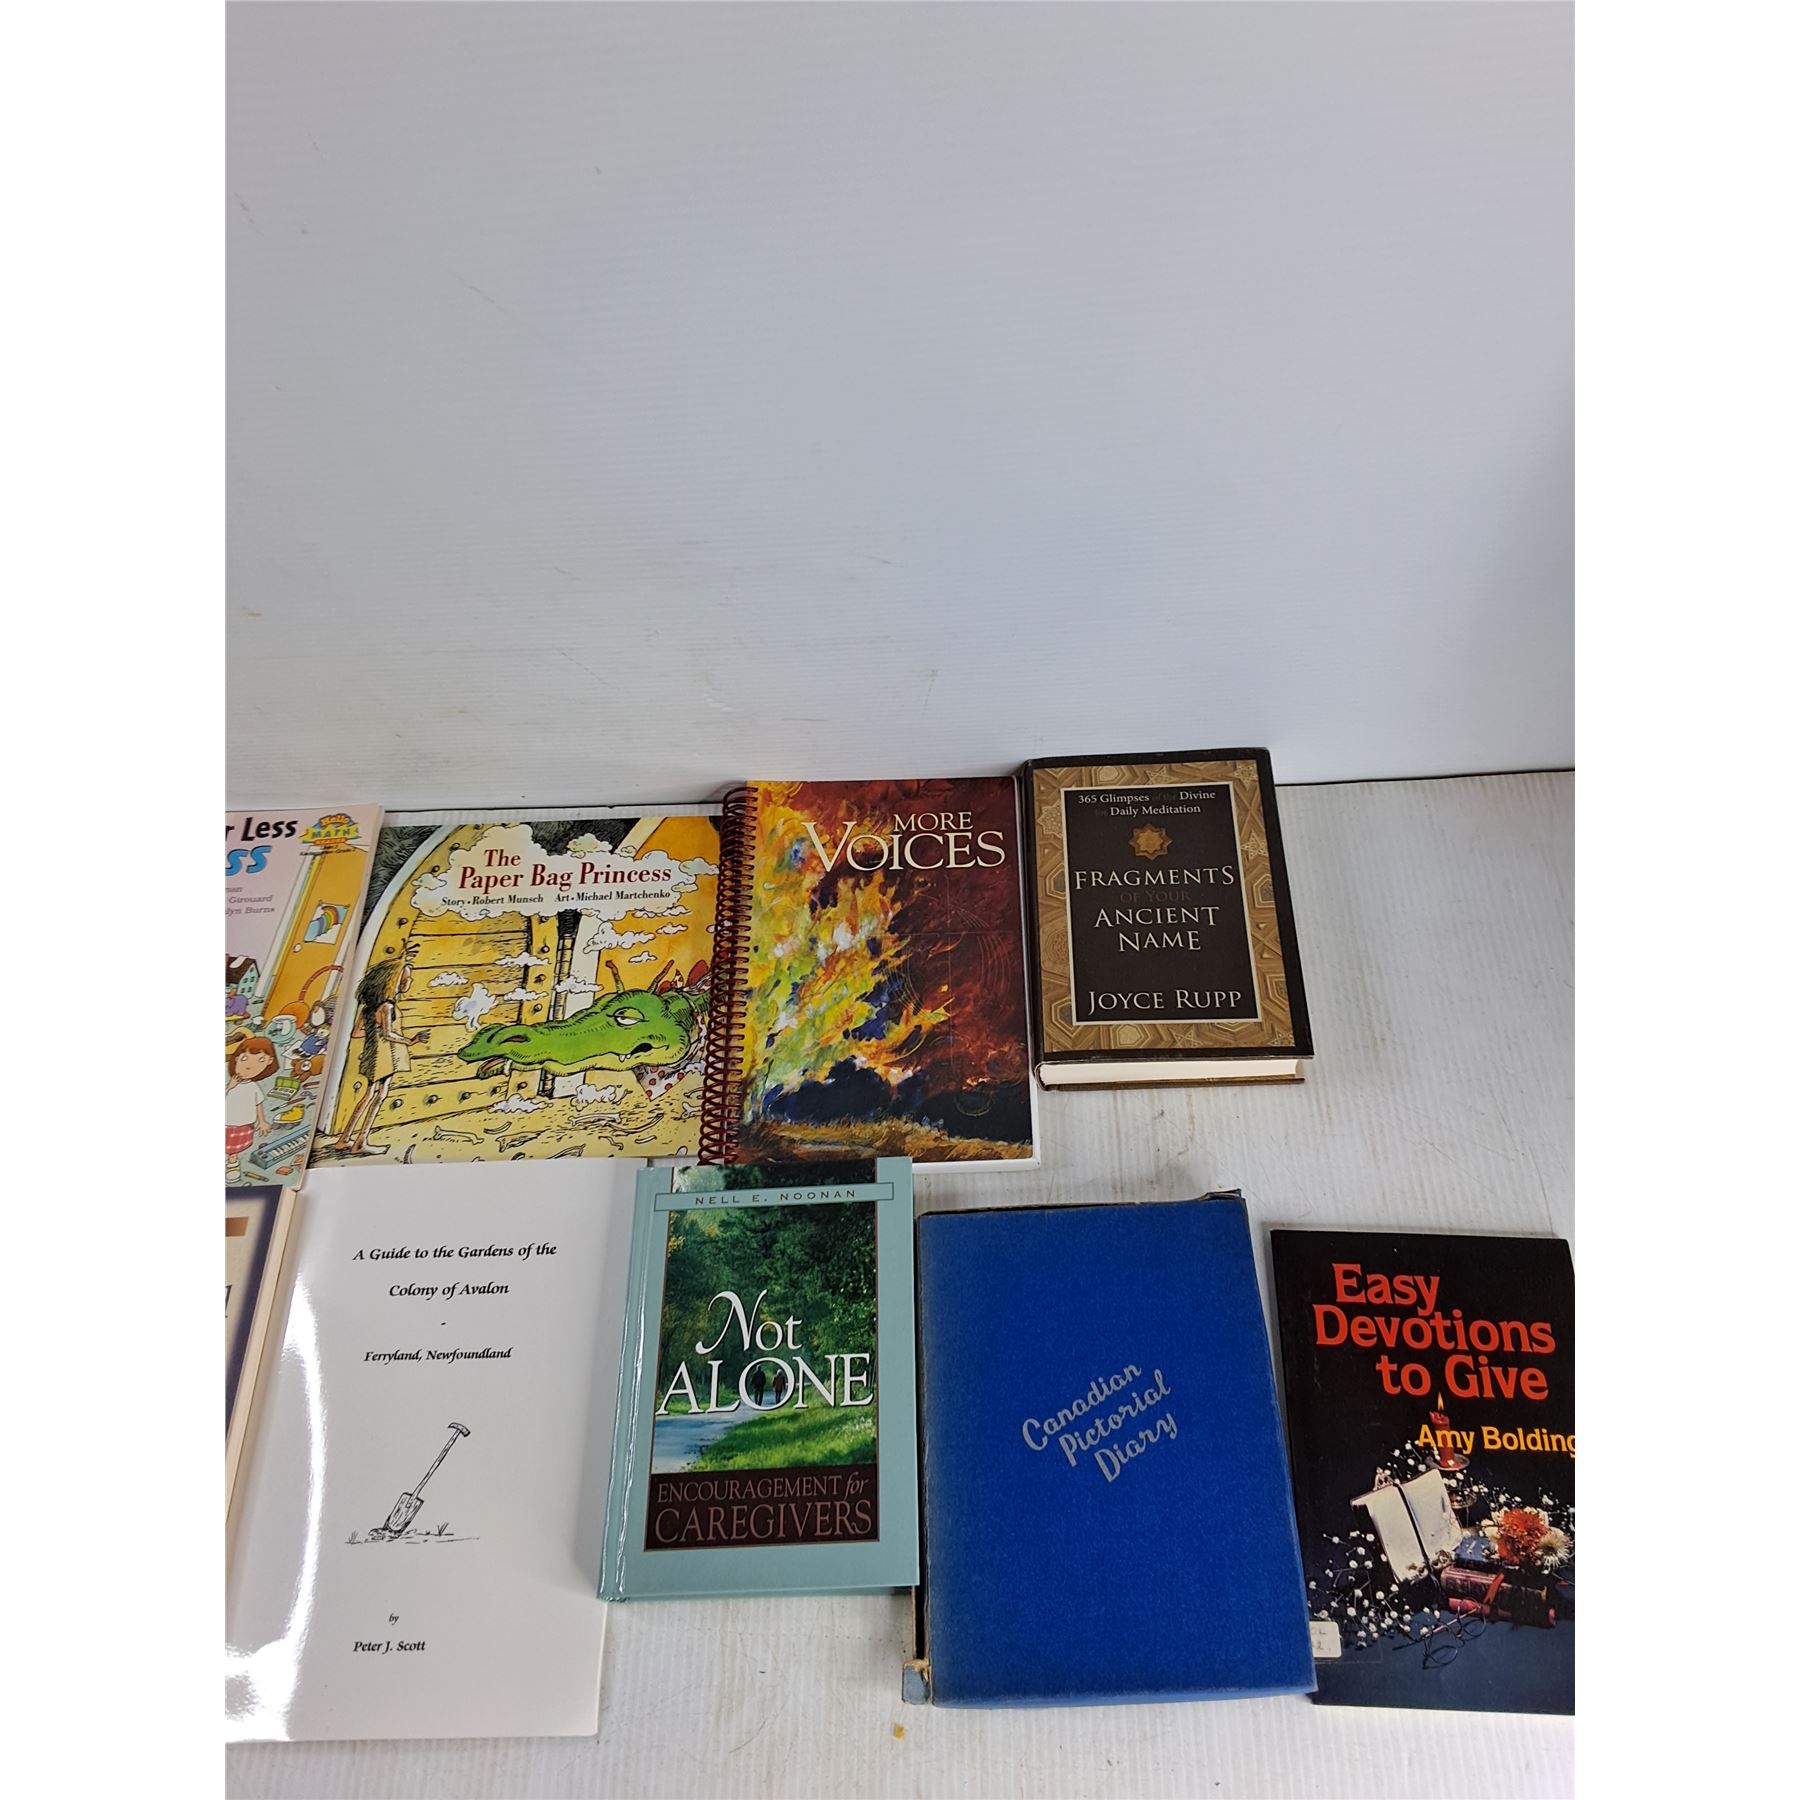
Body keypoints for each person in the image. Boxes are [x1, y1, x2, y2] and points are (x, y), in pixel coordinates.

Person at [332, 943, 422, 1156]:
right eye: (406, 978)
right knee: (380, 1094)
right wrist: (409, 1041)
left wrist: (373, 1034)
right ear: (394, 981)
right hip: (384, 1056)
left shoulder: (368, 1008)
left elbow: (356, 1033)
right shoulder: (387, 1006)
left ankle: (344, 1139)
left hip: (372, 1053)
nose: (409, 982)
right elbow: (389, 1034)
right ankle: (360, 1142)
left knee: (368, 1094)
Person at [226, 1035, 278, 1178]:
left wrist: (262, 1121)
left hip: (244, 1123)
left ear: (269, 1062)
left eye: (261, 1060)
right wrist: (229, 1087)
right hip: (226, 1121)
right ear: (236, 1058)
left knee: (233, 1149)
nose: (249, 1066)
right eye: (244, 1058)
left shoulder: (253, 1087)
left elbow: (258, 1104)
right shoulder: (231, 1084)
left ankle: (232, 1163)